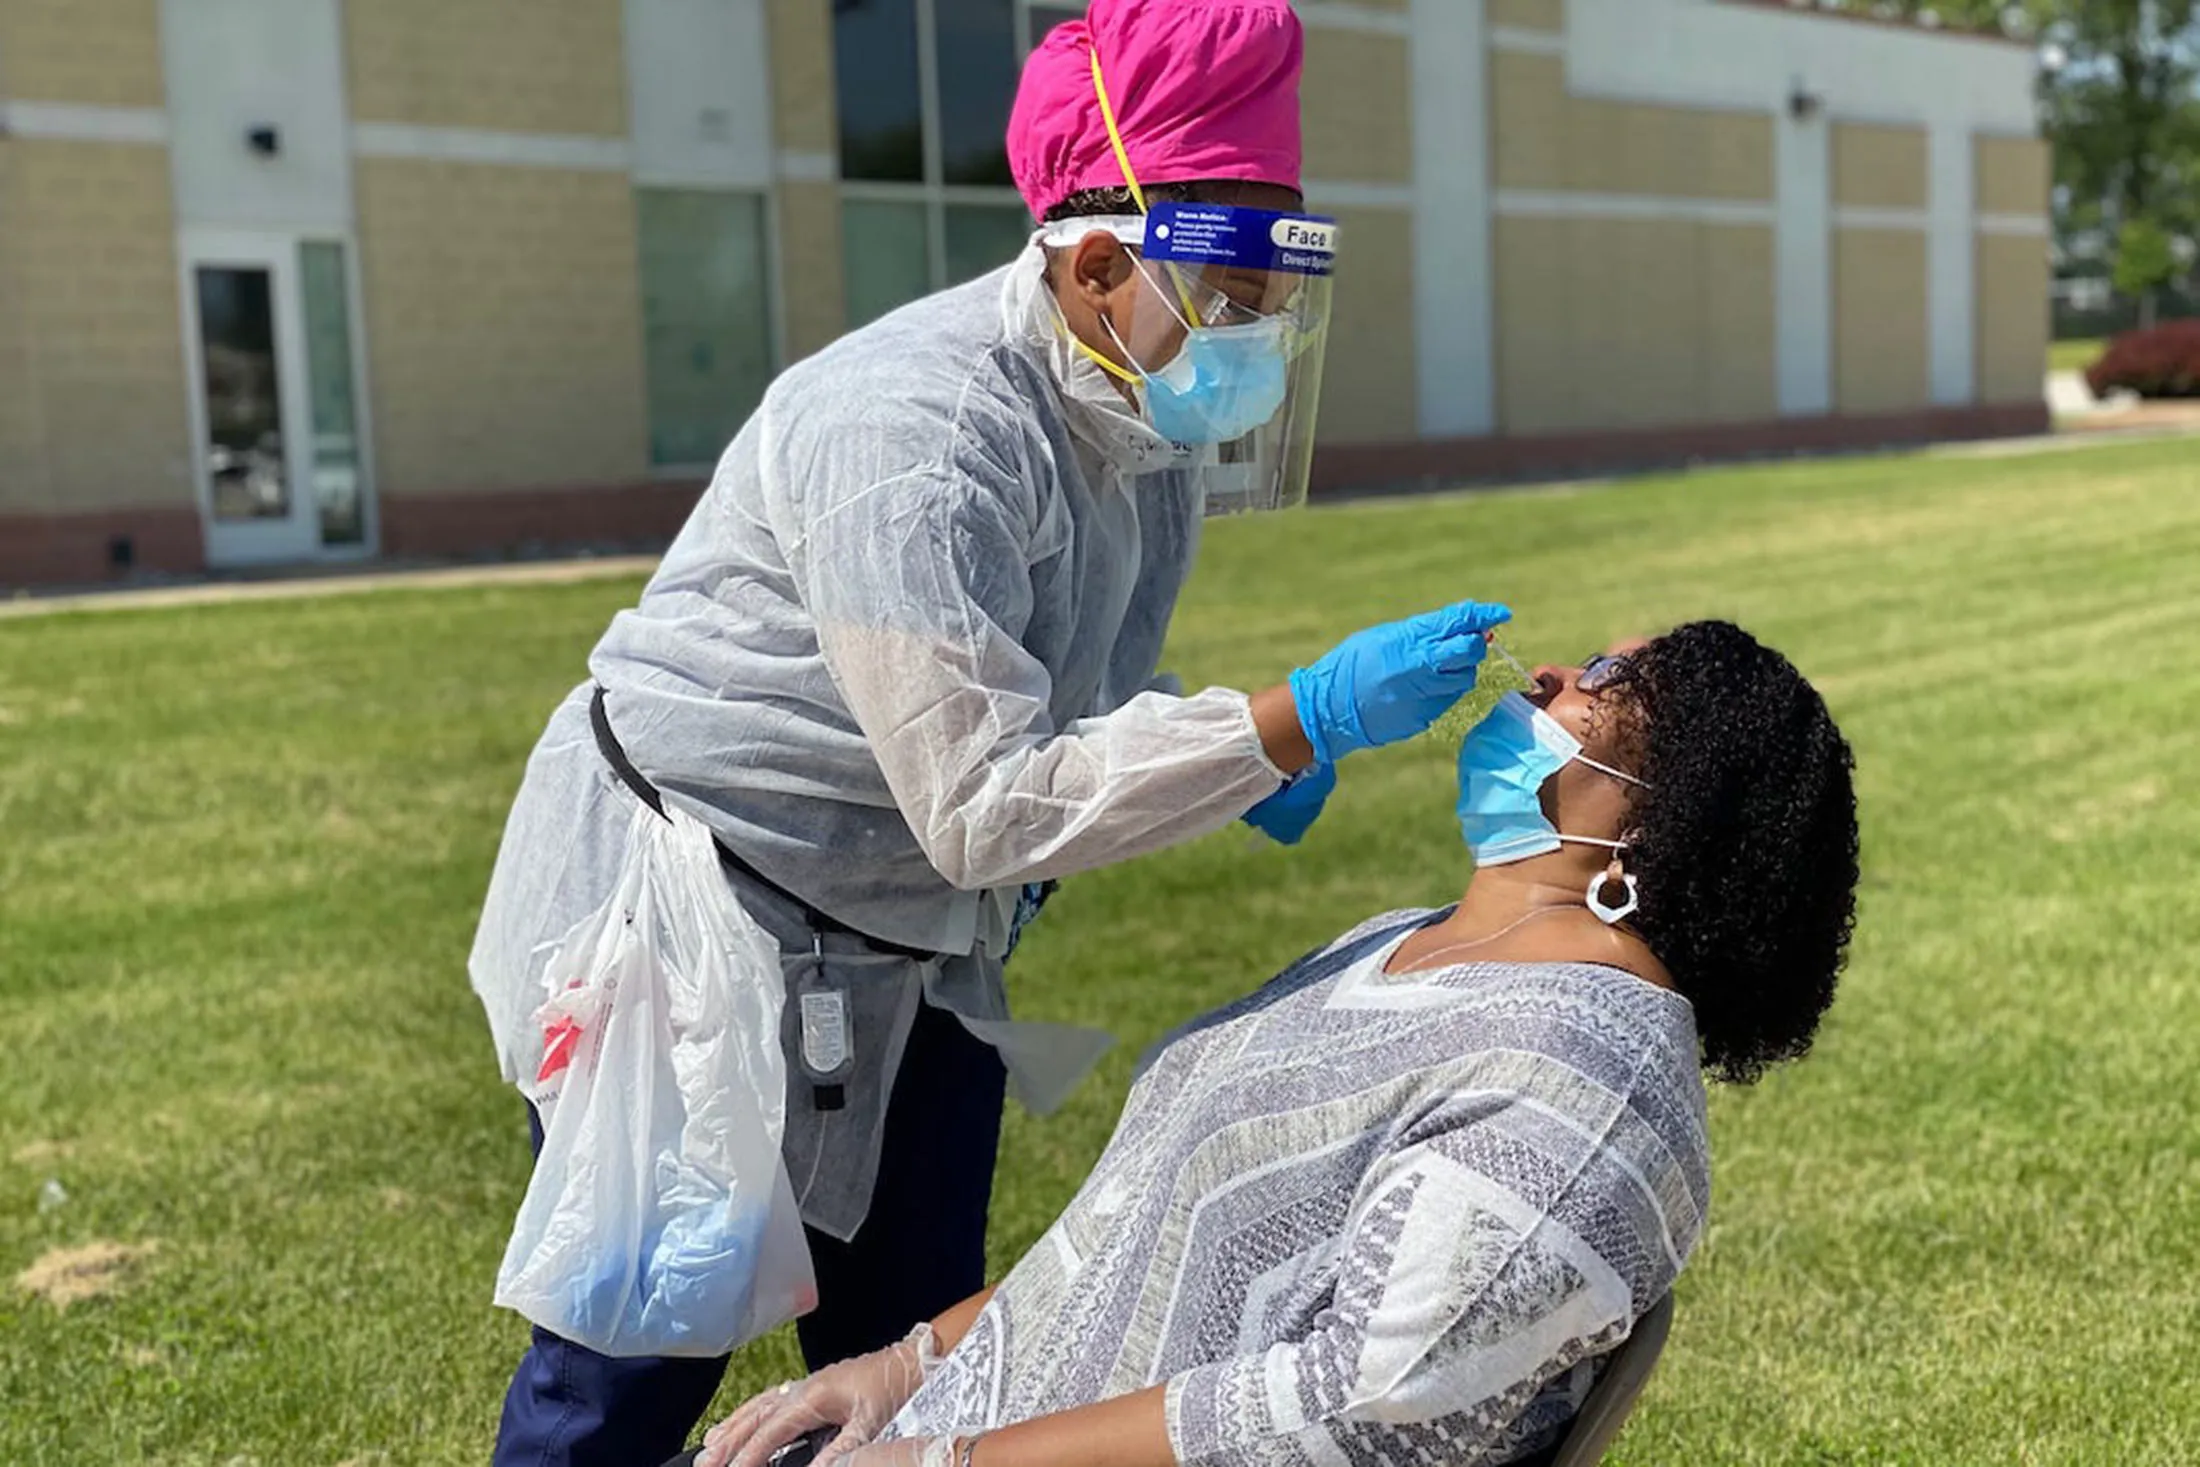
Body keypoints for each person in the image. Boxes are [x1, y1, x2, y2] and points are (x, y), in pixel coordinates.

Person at [471, 2, 1517, 1462]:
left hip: (909, 929)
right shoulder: (906, 429)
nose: (1262, 337)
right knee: (632, 1366)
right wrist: (1288, 720)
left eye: (1280, 297)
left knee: (919, 1357)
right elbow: (985, 803)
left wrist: (1231, 754)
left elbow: (1045, 691)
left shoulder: (1137, 426)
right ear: (1098, 263)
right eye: (1235, 294)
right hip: (694, 906)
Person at [691, 620, 1862, 1467]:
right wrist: (907, 1365)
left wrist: (953, 1461)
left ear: (1656, 818)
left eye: (1607, 682)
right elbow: (1136, 1236)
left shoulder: (1578, 1087)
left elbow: (1361, 1406)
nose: (1553, 671)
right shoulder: (1392, 946)